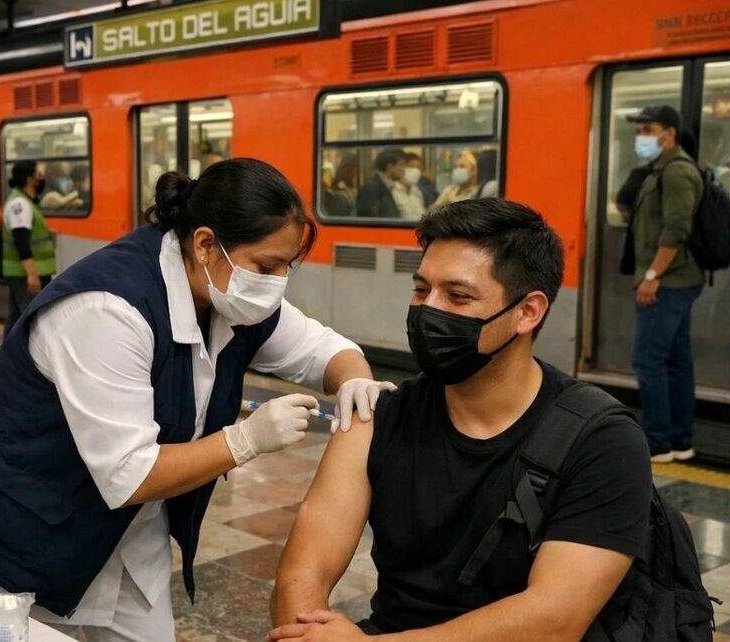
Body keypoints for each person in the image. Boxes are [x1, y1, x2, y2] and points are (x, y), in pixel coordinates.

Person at [0, 158, 396, 642]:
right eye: (266, 267)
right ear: (206, 244)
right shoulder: (110, 308)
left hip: (121, 531)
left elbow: (323, 348)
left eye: (286, 268)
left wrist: (355, 378)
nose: (276, 284)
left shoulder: (229, 293)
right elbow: (130, 475)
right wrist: (245, 440)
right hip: (13, 525)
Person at [269, 199, 652, 641]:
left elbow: (553, 621)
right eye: (420, 289)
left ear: (528, 311)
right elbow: (303, 570)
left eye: (458, 295)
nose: (428, 310)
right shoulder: (379, 415)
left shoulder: (601, 440)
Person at [626, 105, 704, 463]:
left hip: (669, 282)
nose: (641, 135)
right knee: (675, 360)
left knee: (648, 360)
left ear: (668, 133)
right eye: (639, 129)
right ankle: (679, 440)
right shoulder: (662, 169)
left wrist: (652, 277)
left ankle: (657, 440)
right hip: (675, 281)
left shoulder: (677, 172)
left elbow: (676, 229)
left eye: (648, 129)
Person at [0, 160, 56, 339]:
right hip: (25, 274)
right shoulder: (20, 205)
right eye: (38, 175)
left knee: (16, 318)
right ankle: (20, 361)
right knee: (28, 320)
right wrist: (32, 274)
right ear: (30, 179)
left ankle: (6, 361)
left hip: (26, 273)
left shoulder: (24, 202)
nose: (41, 179)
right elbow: (21, 240)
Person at [356, 148, 406, 219]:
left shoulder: (386, 186)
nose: (404, 170)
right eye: (401, 165)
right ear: (390, 167)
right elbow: (367, 220)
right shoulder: (371, 188)